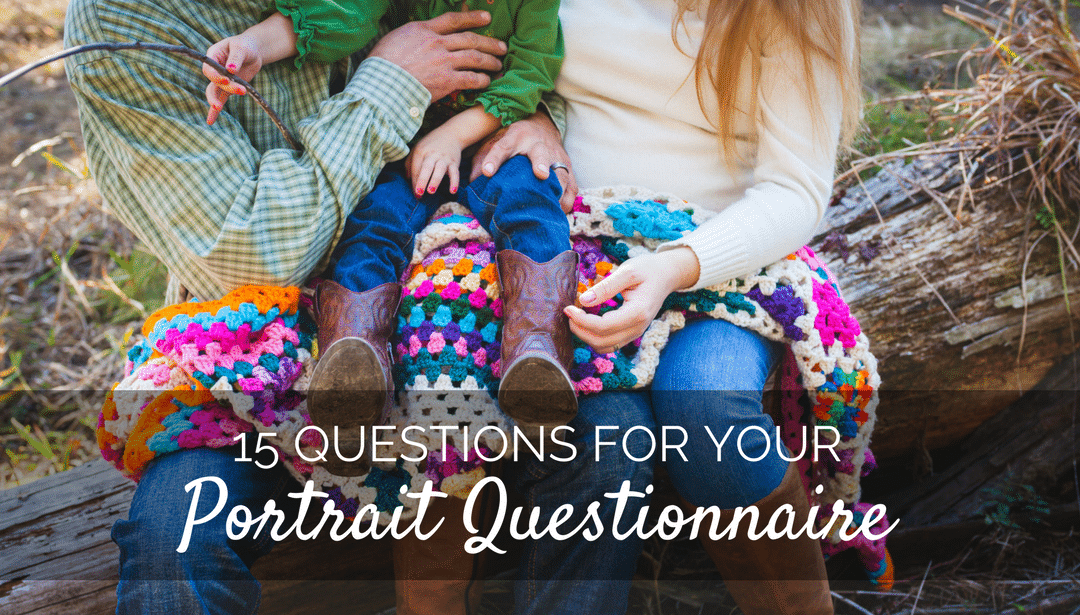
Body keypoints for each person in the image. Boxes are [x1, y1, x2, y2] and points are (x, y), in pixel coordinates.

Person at [63, 0, 642, 613]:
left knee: (613, 448)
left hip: (462, 311)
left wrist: (531, 115)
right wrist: (392, 81)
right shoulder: (127, 20)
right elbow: (255, 255)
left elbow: (519, 45)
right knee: (173, 540)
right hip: (261, 356)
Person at [471, 0, 862, 613]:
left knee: (706, 409)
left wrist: (675, 266)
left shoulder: (795, 10)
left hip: (723, 262)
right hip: (568, 244)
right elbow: (504, 49)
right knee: (600, 439)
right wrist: (537, 114)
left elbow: (795, 189)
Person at [198, 1, 577, 461]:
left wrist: (455, 135)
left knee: (530, 200)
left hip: (491, 137)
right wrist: (255, 44)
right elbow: (342, 15)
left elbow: (529, 74)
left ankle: (537, 344)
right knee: (376, 220)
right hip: (406, 139)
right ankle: (353, 353)